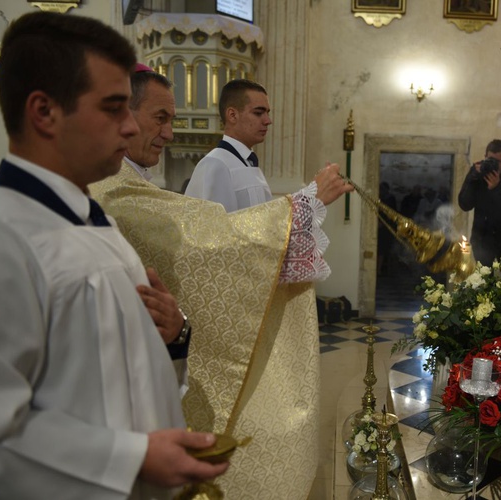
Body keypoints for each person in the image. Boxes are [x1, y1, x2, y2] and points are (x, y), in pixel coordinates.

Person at [0, 12, 229, 499]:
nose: (130, 126)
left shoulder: (94, 221)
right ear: (44, 112)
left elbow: (106, 380)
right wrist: (133, 458)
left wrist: (172, 340)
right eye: (114, 108)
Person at [90, 66, 352, 499]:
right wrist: (301, 206)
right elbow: (206, 235)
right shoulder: (115, 186)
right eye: (161, 118)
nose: (170, 133)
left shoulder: (129, 179)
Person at [184, 79, 272, 212]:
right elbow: (214, 228)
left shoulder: (247, 162)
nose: (268, 121)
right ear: (232, 115)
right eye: (258, 113)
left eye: (267, 113)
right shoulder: (215, 164)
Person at [458, 139, 501, 266]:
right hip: (482, 238)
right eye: (490, 160)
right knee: (482, 280)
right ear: (485, 157)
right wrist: (473, 177)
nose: (494, 164)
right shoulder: (478, 171)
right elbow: (464, 204)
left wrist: (496, 188)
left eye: (498, 161)